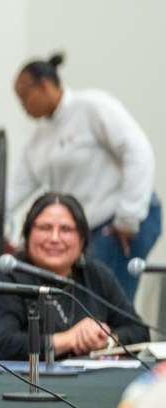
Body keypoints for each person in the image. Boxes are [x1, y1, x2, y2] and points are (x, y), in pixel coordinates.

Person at [9, 53, 160, 301]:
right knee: (86, 305)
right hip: (88, 230)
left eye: (24, 98)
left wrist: (128, 216)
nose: (22, 107)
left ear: (45, 86)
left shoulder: (92, 106)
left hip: (120, 222)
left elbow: (137, 151)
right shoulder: (38, 139)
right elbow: (16, 188)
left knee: (108, 306)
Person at [0, 193, 148, 379]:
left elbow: (139, 331)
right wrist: (71, 339)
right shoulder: (3, 275)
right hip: (4, 388)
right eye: (45, 228)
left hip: (81, 386)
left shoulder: (96, 275)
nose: (54, 238)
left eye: (66, 229)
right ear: (27, 234)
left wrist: (105, 339)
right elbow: (3, 345)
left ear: (82, 238)